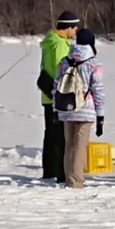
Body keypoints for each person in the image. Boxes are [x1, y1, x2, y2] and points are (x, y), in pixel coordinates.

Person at [52, 29, 105, 189]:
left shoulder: (64, 60)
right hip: (85, 109)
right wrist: (100, 114)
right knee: (80, 146)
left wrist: (56, 108)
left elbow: (56, 85)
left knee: (69, 145)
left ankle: (69, 178)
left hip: (66, 109)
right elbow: (98, 90)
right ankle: (76, 181)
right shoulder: (94, 64)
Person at [37, 10, 80, 182]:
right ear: (68, 27)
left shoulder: (49, 41)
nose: (75, 32)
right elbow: (61, 71)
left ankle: (49, 170)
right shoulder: (60, 44)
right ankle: (58, 172)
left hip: (47, 95)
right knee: (59, 137)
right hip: (58, 96)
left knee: (50, 135)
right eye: (74, 28)